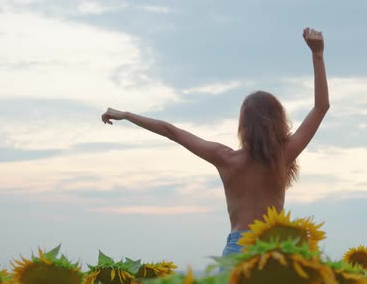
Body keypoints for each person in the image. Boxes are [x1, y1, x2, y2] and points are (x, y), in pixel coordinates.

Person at [101, 27, 329, 257]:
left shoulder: (226, 159)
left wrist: (128, 115)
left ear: (243, 126)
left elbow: (172, 131)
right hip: (274, 247)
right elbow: (321, 108)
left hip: (238, 247)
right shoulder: (283, 155)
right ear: (278, 120)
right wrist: (317, 54)